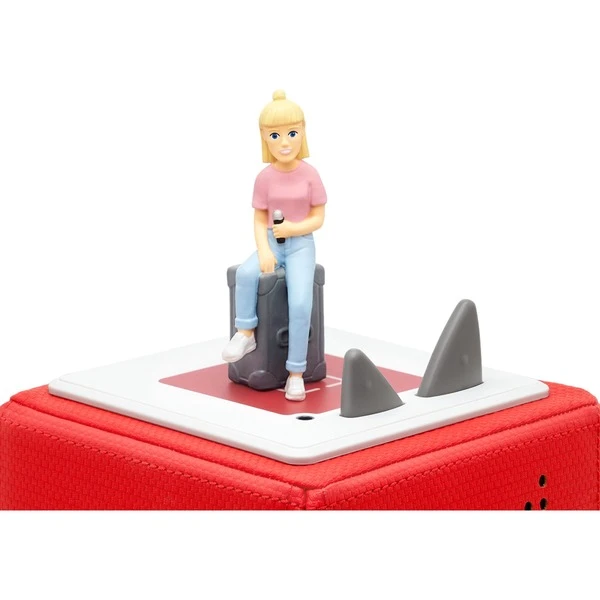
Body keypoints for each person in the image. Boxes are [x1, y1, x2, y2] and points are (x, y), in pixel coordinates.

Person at [221, 90, 326, 401]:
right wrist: (265, 249)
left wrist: (294, 228)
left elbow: (318, 217)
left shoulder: (310, 175)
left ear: (302, 132)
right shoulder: (264, 178)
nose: (284, 143)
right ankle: (246, 333)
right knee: (245, 274)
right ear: (264, 138)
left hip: (300, 245)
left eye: (292, 133)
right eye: (275, 135)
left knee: (300, 304)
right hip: (271, 241)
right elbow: (258, 218)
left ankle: (296, 373)